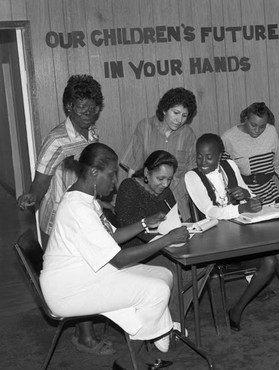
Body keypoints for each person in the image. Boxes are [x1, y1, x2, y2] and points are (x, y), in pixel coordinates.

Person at [40, 143, 190, 369]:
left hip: (87, 272)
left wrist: (143, 223)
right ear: (93, 172)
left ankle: (140, 344)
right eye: (111, 175)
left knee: (164, 274)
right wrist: (166, 240)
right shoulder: (78, 209)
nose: (114, 182)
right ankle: (128, 361)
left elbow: (113, 235)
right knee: (156, 291)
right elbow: (118, 259)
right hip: (68, 288)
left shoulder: (85, 197)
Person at [185, 134, 279, 331]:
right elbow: (210, 212)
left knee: (274, 253)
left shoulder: (230, 166)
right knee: (274, 254)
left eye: (209, 157)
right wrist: (241, 208)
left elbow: (250, 195)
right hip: (215, 241)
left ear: (220, 156)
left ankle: (241, 309)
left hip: (241, 231)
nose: (202, 162)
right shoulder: (192, 176)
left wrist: (248, 197)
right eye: (199, 157)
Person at [16, 74, 112, 355]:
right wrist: (31, 195)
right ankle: (85, 337)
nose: (88, 114)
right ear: (68, 106)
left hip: (84, 214)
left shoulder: (92, 134)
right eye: (82, 108)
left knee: (90, 269)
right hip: (58, 219)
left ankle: (90, 325)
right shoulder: (56, 139)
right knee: (77, 275)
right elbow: (41, 179)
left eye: (93, 108)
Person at [115, 150, 194, 323]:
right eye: (160, 178)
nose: (165, 184)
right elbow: (125, 224)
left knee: (199, 265)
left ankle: (173, 317)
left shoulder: (166, 193)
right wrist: (163, 237)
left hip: (166, 246)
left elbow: (175, 218)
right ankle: (166, 321)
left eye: (169, 179)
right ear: (146, 173)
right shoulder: (129, 187)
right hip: (135, 250)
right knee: (175, 270)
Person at [121, 87, 197, 221]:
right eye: (176, 113)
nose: (179, 120)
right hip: (147, 201)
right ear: (164, 109)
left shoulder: (188, 135)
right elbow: (134, 168)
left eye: (184, 115)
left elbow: (192, 174)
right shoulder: (144, 127)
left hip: (178, 202)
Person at [222, 102, 279, 205]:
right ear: (245, 119)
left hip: (268, 194)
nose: (257, 130)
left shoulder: (271, 131)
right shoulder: (228, 138)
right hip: (243, 196)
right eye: (253, 125)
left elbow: (278, 162)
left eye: (262, 127)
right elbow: (223, 171)